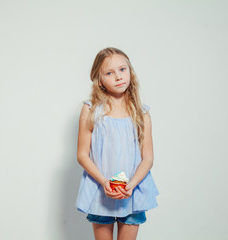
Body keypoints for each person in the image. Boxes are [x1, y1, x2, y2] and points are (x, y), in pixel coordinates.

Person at [76, 47, 159, 240]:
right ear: (100, 80)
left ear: (130, 71)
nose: (118, 76)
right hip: (100, 190)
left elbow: (148, 158)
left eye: (123, 69)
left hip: (133, 191)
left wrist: (131, 185)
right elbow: (82, 155)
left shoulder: (142, 113)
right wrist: (104, 182)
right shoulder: (90, 110)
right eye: (109, 73)